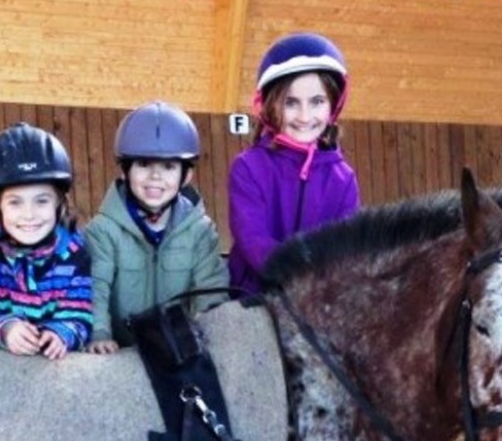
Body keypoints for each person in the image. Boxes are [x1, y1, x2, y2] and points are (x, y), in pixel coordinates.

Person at [84, 101, 229, 353]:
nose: (155, 176)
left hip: (179, 348)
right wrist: (100, 333)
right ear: (125, 171)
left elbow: (209, 292)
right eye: (143, 164)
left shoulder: (201, 232)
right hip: (119, 351)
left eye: (169, 166)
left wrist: (207, 337)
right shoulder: (103, 231)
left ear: (186, 176)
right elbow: (96, 287)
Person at [227, 31, 360, 298]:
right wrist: (301, 276)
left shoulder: (343, 180)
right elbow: (254, 242)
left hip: (319, 300)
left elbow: (346, 248)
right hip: (255, 299)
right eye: (291, 103)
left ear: (332, 105)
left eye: (317, 102)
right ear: (270, 106)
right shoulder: (248, 168)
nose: (304, 116)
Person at [0, 123, 92, 359]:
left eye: (41, 201)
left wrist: (62, 333)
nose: (29, 214)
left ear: (60, 204)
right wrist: (4, 329)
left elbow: (80, 316)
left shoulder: (74, 254)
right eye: (15, 202)